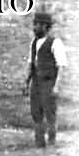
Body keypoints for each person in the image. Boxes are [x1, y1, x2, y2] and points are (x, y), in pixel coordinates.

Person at [24, 11, 67, 148]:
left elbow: (61, 66)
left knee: (50, 114)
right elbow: (31, 64)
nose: (34, 28)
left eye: (36, 25)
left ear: (44, 26)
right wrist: (26, 82)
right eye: (34, 24)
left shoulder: (55, 43)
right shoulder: (33, 43)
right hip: (36, 84)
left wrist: (56, 86)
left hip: (48, 83)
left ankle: (52, 143)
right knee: (36, 113)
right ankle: (39, 143)